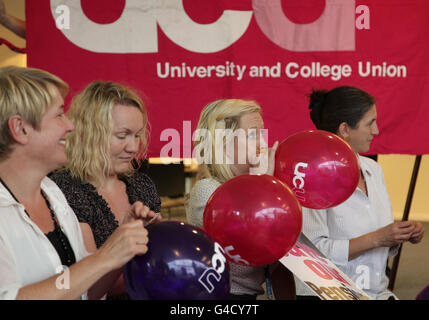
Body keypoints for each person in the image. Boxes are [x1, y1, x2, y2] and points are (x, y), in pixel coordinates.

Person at [0, 66, 156, 300]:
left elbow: (85, 290)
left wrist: (119, 244)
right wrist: (106, 257)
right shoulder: (61, 189)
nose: (71, 125)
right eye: (59, 114)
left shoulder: (52, 194)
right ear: (20, 129)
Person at [297, 86, 424, 300]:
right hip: (328, 295)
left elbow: (380, 240)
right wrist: (377, 238)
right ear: (345, 129)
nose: (376, 130)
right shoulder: (310, 176)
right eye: (370, 122)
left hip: (376, 293)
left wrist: (398, 235)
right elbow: (313, 254)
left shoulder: (373, 170)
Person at [50, 81, 161, 298]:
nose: (133, 147)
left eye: (137, 135)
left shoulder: (142, 185)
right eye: (122, 136)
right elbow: (91, 288)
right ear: (89, 133)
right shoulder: (65, 190)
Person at [186, 98, 295, 300]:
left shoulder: (254, 184)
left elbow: (280, 258)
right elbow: (247, 247)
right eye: (253, 134)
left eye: (262, 134)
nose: (263, 144)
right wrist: (263, 187)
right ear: (223, 141)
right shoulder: (208, 191)